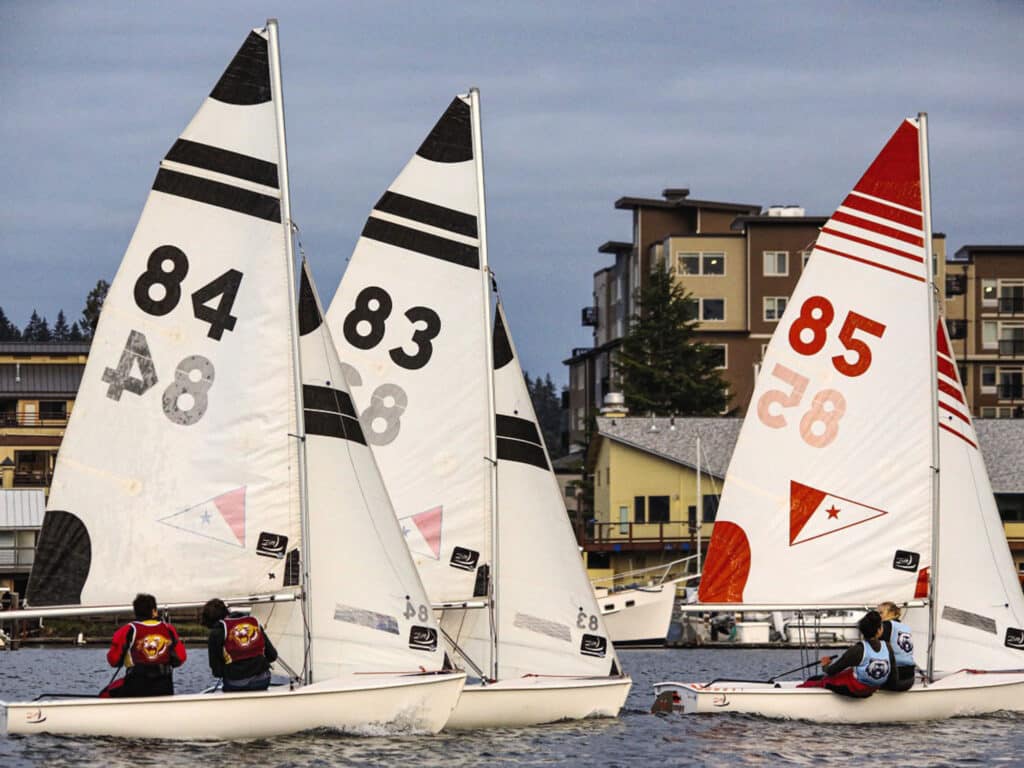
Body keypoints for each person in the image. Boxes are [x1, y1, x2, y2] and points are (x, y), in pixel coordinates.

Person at [103, 593, 186, 697]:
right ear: (154, 611)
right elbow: (181, 658)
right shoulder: (169, 629)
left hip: (136, 685)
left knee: (105, 693)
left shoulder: (127, 630)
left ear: (136, 612)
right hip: (164, 686)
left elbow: (113, 660)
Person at [797, 610, 893, 698]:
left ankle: (799, 691)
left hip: (858, 690)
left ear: (862, 631)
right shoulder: (888, 647)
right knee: (842, 674)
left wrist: (825, 665)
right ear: (880, 630)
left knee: (819, 681)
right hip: (874, 687)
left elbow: (831, 671)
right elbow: (892, 673)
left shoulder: (857, 649)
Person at [201, 598, 278, 692]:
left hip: (235, 683)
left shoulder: (217, 632)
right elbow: (272, 656)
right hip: (262, 680)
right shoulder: (253, 623)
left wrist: (231, 671)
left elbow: (216, 670)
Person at [878, 601, 916, 691]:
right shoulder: (906, 627)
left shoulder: (886, 625)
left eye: (880, 613)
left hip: (895, 679)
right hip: (910, 678)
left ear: (891, 613)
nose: (878, 616)